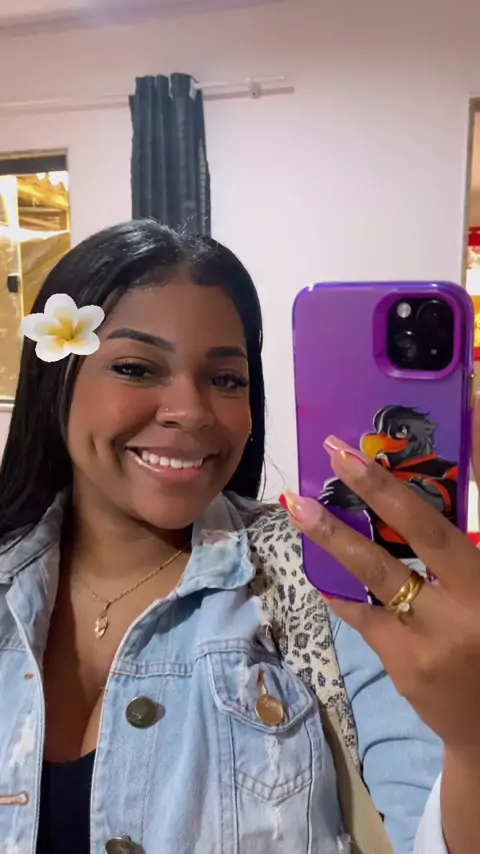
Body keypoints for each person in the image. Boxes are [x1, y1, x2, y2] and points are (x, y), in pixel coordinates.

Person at [0, 219, 474, 854]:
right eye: (137, 367)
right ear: (57, 381)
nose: (192, 411)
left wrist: (472, 744)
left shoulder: (319, 576)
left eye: (226, 378)